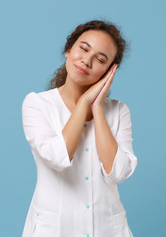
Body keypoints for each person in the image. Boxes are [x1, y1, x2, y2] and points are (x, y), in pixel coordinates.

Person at [21, 20, 137, 237]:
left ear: (109, 71)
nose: (87, 60)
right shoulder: (37, 104)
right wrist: (83, 104)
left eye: (100, 59)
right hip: (54, 229)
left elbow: (118, 173)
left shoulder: (119, 112)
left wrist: (98, 109)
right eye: (84, 48)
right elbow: (56, 158)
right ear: (68, 49)